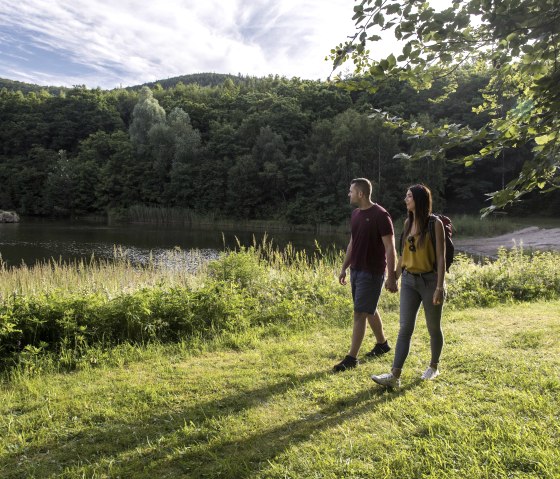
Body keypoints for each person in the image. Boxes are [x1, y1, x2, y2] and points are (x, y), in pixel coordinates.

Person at [371, 184, 446, 388]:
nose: (406, 199)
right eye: (406, 196)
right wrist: (393, 277)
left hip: (431, 281)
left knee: (433, 327)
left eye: (409, 196)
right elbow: (403, 256)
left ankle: (433, 366)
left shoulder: (434, 223)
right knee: (405, 328)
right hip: (409, 281)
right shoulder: (407, 223)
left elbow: (441, 257)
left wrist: (440, 287)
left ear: (420, 200)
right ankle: (394, 376)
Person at [334, 178, 398, 372]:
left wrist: (392, 277)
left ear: (360, 193)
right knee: (368, 308)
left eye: (351, 191)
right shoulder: (355, 215)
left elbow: (390, 248)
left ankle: (351, 358)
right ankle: (382, 344)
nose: (349, 194)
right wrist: (345, 267)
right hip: (356, 270)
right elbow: (352, 244)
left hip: (372, 272)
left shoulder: (381, 215)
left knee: (359, 312)